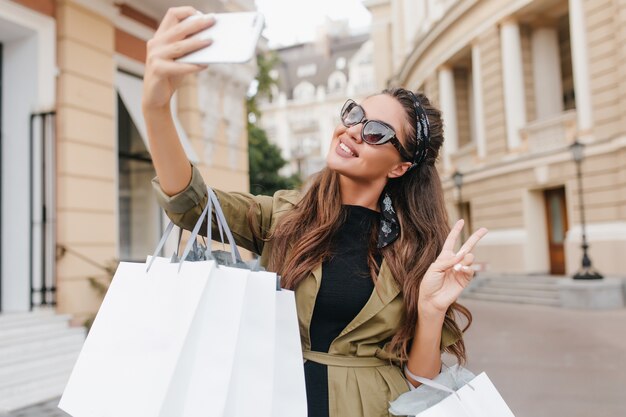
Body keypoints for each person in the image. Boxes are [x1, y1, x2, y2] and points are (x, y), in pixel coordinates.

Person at [143, 7, 488, 417]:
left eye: (377, 132)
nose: (354, 131)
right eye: (354, 115)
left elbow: (419, 386)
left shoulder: (416, 248)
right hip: (275, 399)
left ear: (399, 167)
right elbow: (193, 205)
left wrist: (431, 311)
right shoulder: (285, 216)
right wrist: (156, 106)